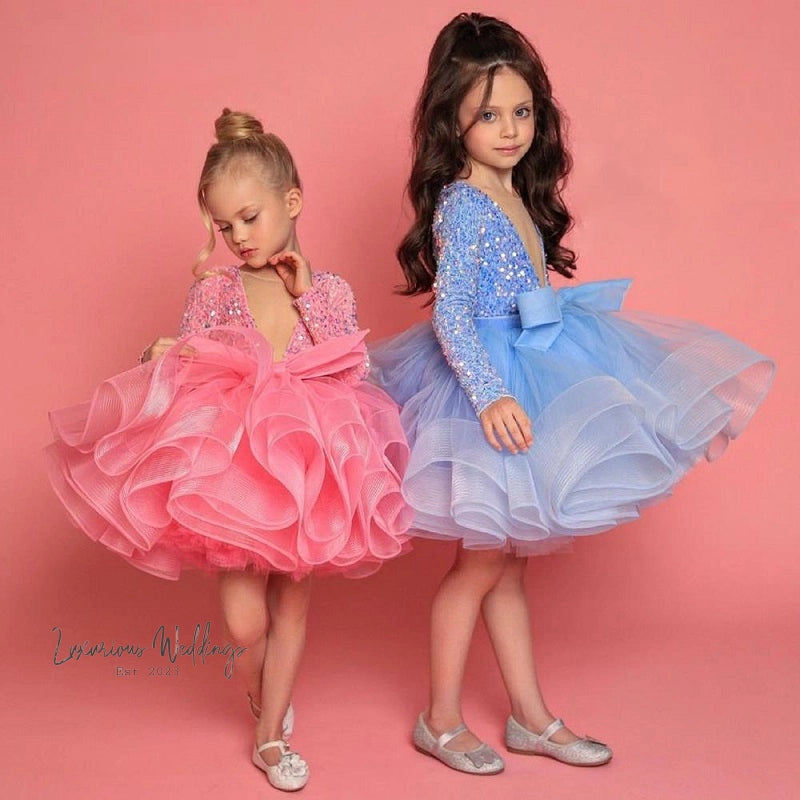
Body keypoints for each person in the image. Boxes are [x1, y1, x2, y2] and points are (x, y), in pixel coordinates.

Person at [370, 12, 774, 775]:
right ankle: (441, 719)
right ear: (449, 118)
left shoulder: (515, 188)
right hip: (488, 385)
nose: (510, 128)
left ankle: (529, 718)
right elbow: (453, 312)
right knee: (479, 566)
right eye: (489, 114)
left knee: (506, 563)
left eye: (522, 111)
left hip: (534, 364)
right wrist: (489, 394)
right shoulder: (463, 204)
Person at [47, 109, 412, 792]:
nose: (238, 238)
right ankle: (260, 688)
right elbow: (186, 368)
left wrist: (308, 299)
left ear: (291, 202)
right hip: (234, 472)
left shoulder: (327, 290)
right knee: (246, 623)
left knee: (294, 606)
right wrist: (161, 353)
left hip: (309, 466)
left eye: (250, 218)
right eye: (225, 227)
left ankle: (270, 737)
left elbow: (350, 372)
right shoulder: (215, 291)